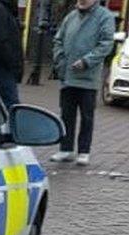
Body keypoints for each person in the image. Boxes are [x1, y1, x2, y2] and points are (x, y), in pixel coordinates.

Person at [50, 0, 116, 166]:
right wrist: (60, 61)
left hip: (88, 78)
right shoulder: (71, 16)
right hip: (68, 76)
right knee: (66, 114)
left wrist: (87, 61)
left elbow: (106, 44)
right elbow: (58, 40)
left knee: (87, 117)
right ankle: (66, 149)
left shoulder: (104, 17)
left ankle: (84, 151)